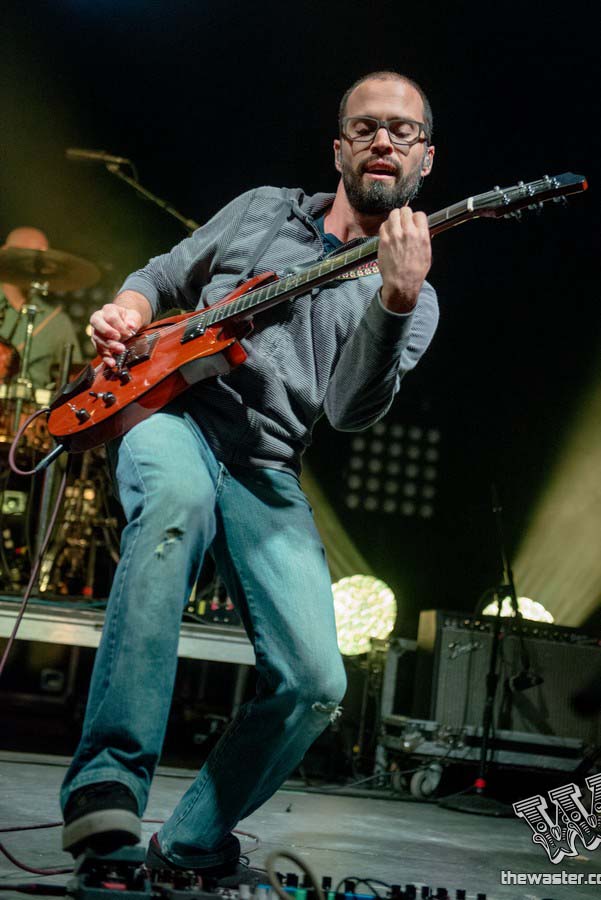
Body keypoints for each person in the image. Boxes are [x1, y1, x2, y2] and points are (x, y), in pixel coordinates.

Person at [60, 71, 439, 876]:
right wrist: (127, 309)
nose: (382, 140)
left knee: (315, 682)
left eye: (401, 131)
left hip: (266, 468)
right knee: (175, 502)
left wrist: (395, 302)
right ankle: (104, 792)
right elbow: (161, 276)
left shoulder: (414, 299)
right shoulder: (265, 210)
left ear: (424, 159)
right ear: (339, 148)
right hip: (175, 419)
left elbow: (348, 411)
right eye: (365, 127)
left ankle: (191, 844)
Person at [0, 227, 82, 389]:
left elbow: (73, 376)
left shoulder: (57, 322)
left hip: (32, 404)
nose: (35, 266)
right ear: (5, 254)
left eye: (42, 261)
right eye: (27, 257)